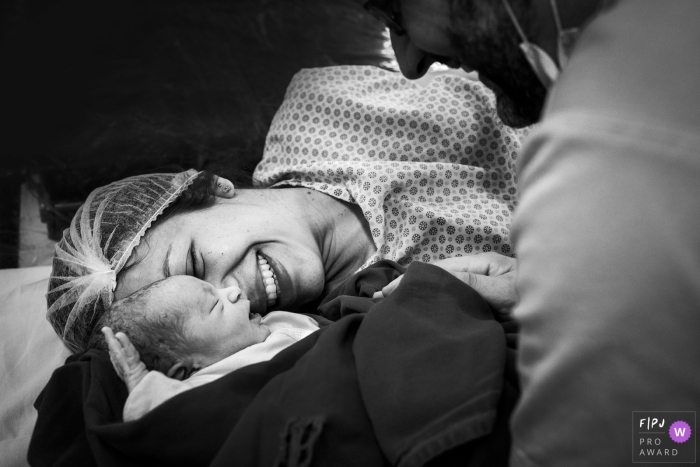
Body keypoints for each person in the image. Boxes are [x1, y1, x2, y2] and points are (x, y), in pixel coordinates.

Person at [359, 0, 700, 465]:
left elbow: (643, 451)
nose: (409, 63)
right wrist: (568, 290)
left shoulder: (603, 148)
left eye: (396, 16)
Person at [47, 65, 527, 355]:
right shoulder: (370, 324)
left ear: (209, 188)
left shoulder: (319, 105)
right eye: (201, 315)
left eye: (194, 267)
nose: (234, 298)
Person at [88, 275, 320, 421]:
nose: (234, 290)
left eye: (215, 289)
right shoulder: (212, 381)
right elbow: (164, 414)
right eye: (215, 305)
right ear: (186, 371)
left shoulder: (271, 323)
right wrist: (140, 381)